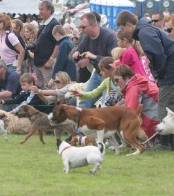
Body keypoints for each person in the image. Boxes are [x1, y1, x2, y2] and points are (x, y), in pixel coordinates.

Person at [117, 10, 174, 150]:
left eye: (122, 28)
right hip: (170, 68)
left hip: (169, 70)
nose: (122, 32)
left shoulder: (144, 33)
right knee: (170, 106)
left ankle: (165, 143)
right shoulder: (146, 30)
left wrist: (158, 75)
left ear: (129, 24)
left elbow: (158, 55)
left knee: (164, 105)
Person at [72, 12, 118, 108]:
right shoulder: (86, 37)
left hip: (109, 76)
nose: (81, 30)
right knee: (84, 100)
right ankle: (81, 122)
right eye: (80, 27)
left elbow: (114, 60)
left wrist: (94, 57)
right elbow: (80, 49)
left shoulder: (109, 36)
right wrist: (76, 54)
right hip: (98, 73)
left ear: (93, 25)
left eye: (83, 27)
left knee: (106, 105)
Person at [113, 64, 159, 142]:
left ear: (126, 77)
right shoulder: (138, 81)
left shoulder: (134, 88)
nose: (116, 83)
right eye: (114, 81)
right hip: (157, 119)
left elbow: (130, 113)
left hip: (152, 124)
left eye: (117, 80)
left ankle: (128, 142)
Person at [34, 0, 59, 89]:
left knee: (49, 88)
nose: (40, 12)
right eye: (39, 9)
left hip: (46, 64)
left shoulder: (54, 24)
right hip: (39, 63)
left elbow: (58, 43)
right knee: (41, 89)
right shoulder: (43, 23)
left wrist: (51, 60)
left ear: (49, 10)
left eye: (42, 9)